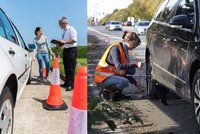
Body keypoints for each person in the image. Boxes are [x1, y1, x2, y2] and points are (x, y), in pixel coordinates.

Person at [94, 31, 143, 101]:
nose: (134, 48)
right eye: (134, 46)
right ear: (129, 42)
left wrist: (136, 83)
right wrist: (135, 65)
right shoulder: (115, 48)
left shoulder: (123, 49)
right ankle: (106, 92)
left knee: (131, 70)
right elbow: (119, 67)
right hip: (101, 78)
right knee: (125, 82)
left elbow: (124, 72)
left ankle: (117, 94)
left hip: (109, 75)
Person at [55, 17, 77, 91]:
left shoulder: (71, 29)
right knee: (66, 67)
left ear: (64, 23)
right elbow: (65, 42)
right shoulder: (64, 31)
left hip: (71, 50)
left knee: (71, 68)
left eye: (60, 24)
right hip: (66, 50)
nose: (59, 25)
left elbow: (74, 40)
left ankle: (71, 85)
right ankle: (67, 82)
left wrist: (64, 42)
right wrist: (59, 44)